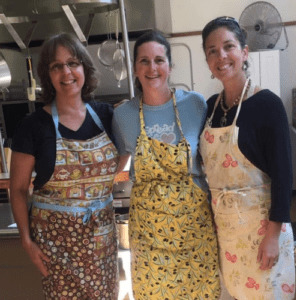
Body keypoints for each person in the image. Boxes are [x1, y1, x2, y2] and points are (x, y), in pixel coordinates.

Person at [9, 33, 120, 300]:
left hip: (102, 240)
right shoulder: (32, 126)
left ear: (84, 68)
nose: (66, 72)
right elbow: (19, 189)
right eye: (56, 66)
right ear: (47, 75)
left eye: (72, 63)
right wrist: (26, 241)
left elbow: (124, 155)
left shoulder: (107, 116)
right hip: (55, 247)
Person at [112, 30, 221, 300]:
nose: (153, 68)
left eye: (159, 60)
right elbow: (115, 165)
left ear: (170, 66)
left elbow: (213, 157)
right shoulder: (123, 115)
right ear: (135, 68)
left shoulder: (195, 104)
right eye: (144, 61)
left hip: (194, 228)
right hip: (149, 233)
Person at [199, 16, 295, 299]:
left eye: (228, 46)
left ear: (244, 51)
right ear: (207, 61)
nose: (222, 56)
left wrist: (273, 236)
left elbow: (283, 174)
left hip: (263, 231)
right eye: (212, 51)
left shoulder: (267, 104)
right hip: (227, 234)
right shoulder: (209, 109)